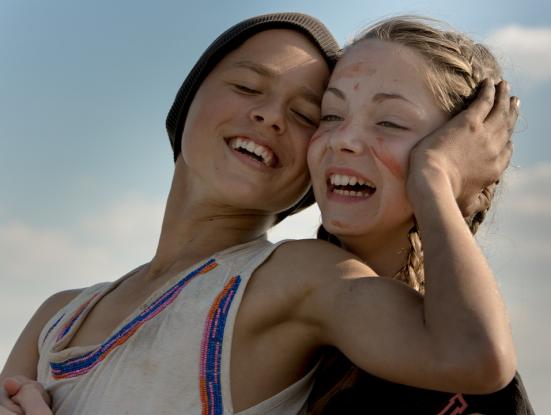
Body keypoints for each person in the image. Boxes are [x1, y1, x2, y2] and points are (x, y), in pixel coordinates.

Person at [0, 12, 518, 415]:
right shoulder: (58, 316)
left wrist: (434, 179)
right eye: (247, 87)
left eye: (305, 114)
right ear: (186, 102)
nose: (269, 115)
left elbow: (473, 356)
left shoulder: (301, 276)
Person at [305, 16, 532, 414]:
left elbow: (479, 355)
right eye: (331, 115)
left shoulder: (467, 358)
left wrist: (433, 177)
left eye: (389, 122)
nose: (342, 139)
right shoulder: (272, 288)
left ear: (465, 157)